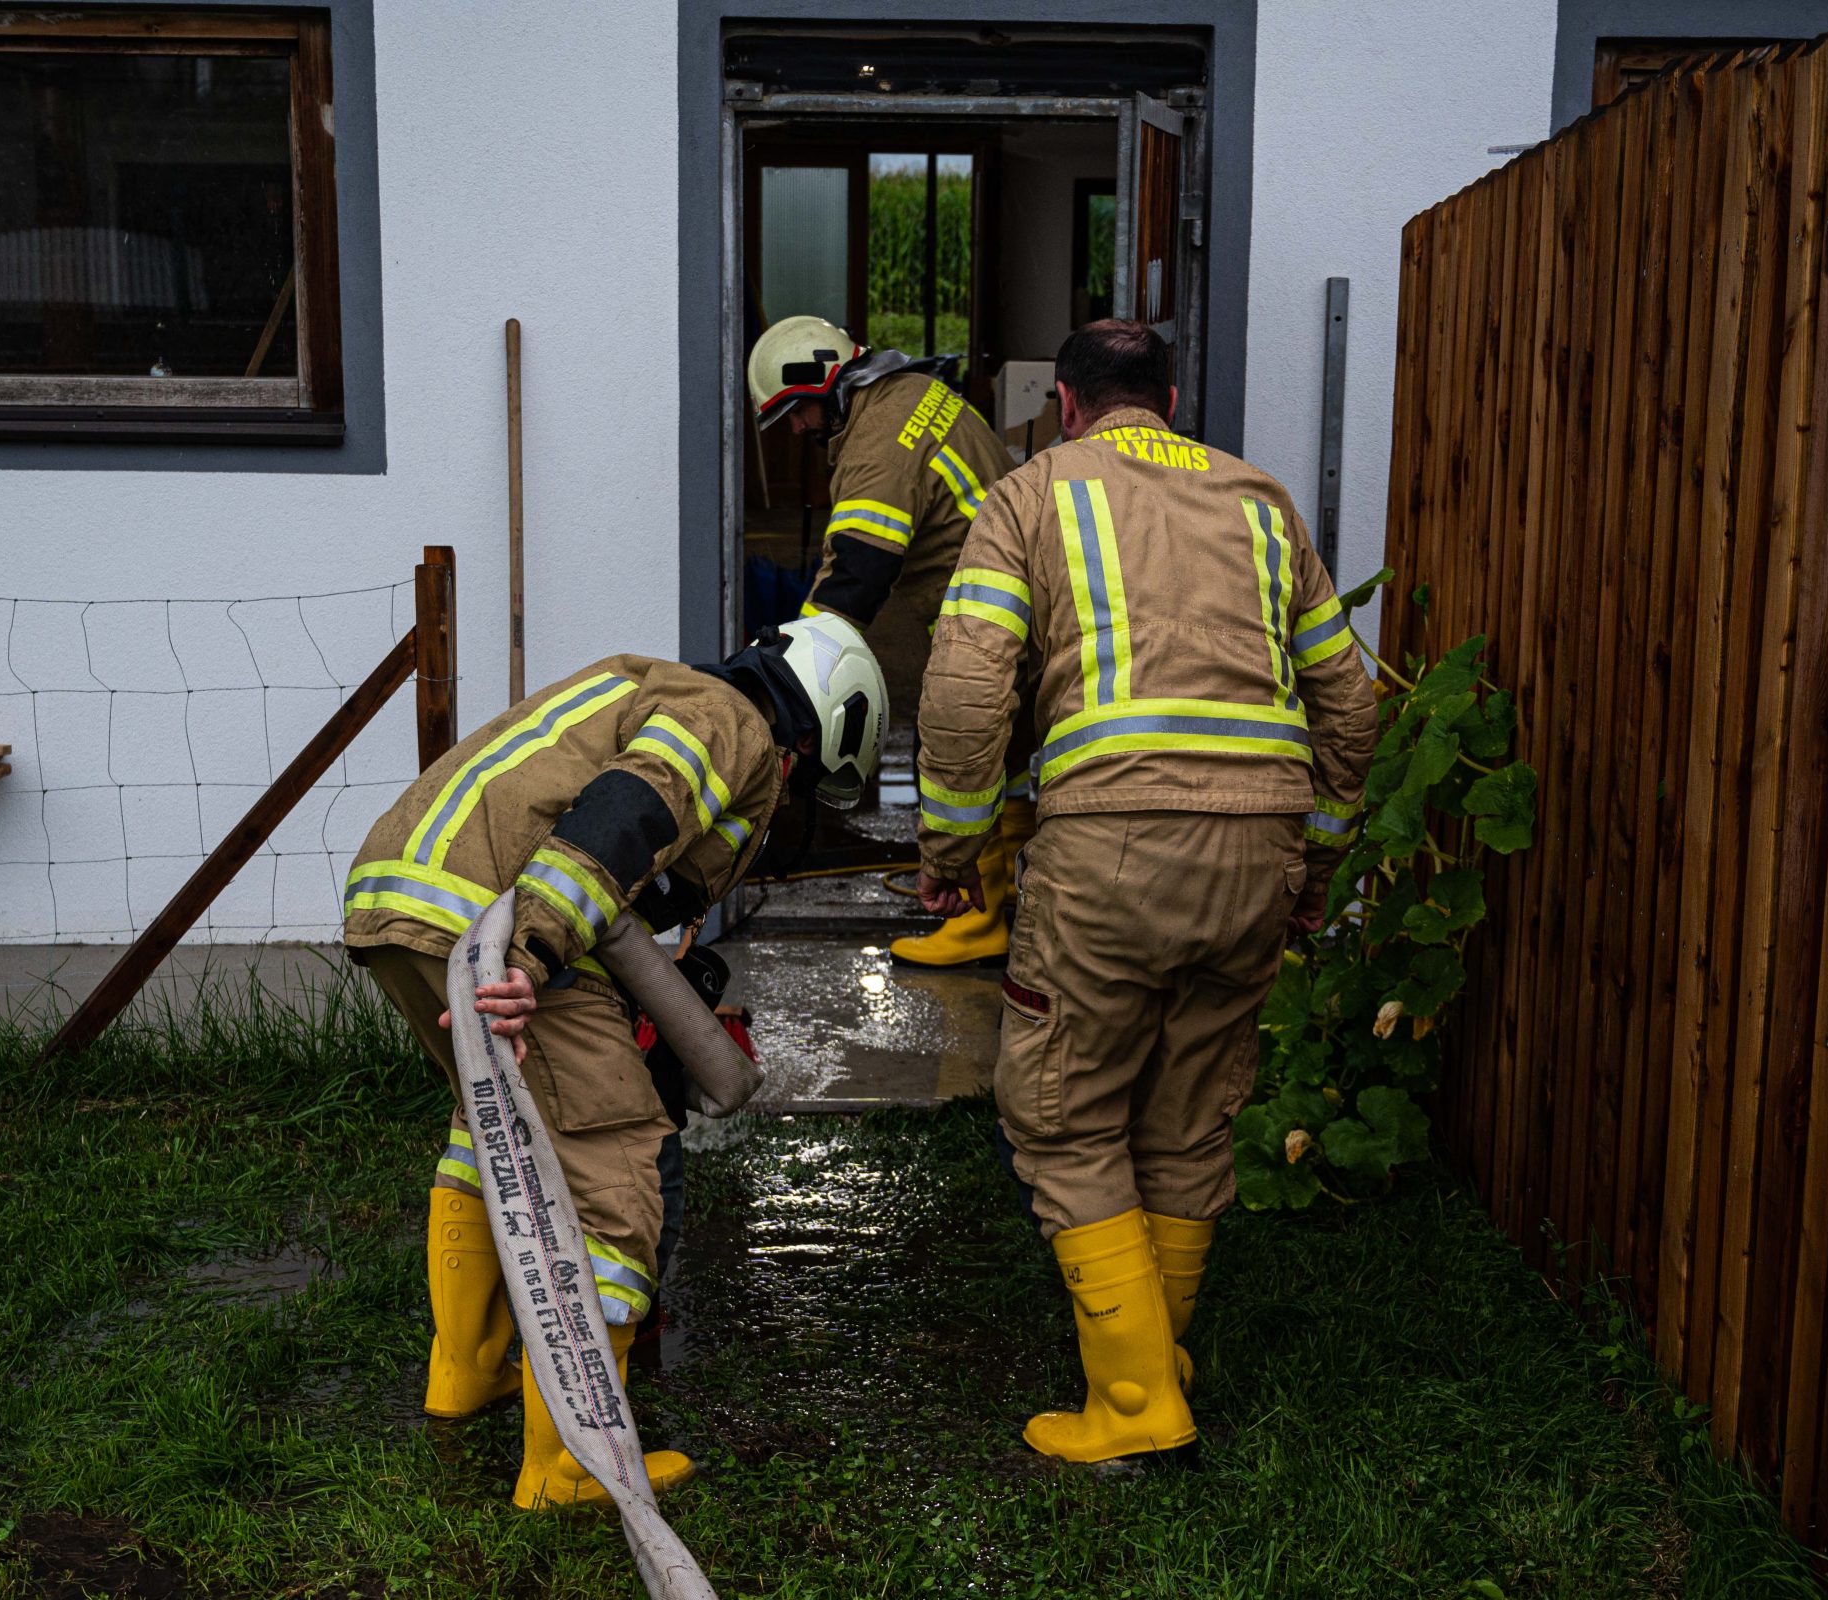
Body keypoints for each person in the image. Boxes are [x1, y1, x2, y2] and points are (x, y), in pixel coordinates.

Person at [914, 320, 1380, 1466]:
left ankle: (1130, 1405)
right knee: (1185, 1111)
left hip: (1110, 847)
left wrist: (956, 845)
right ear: (1169, 396)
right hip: (1258, 852)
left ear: (1067, 405)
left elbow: (969, 692)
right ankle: (1156, 1356)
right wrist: (1313, 864)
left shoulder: (1029, 495)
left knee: (1063, 1112)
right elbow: (1351, 708)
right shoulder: (1262, 500)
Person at [343, 615, 886, 1507]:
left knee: (491, 1131)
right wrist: (530, 958)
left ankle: (465, 1376)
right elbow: (624, 820)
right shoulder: (731, 723)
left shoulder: (652, 683)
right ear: (812, 737)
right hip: (495, 923)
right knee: (620, 1167)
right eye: (798, 785)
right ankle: (571, 1463)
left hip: (400, 900)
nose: (780, 799)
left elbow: (635, 867)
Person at [747, 314, 1029, 965]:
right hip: (1015, 608)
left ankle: (976, 923)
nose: (795, 431)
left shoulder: (877, 443)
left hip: (983, 626)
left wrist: (794, 677)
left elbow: (856, 572)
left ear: (821, 382)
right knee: (1007, 758)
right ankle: (1012, 887)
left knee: (957, 752)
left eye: (795, 414)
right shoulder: (911, 396)